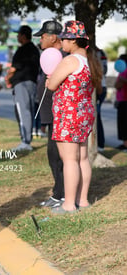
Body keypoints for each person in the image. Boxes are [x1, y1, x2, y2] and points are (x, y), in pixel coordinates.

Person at [46, 20, 102, 214]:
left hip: (68, 115)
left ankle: (68, 205)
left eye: (64, 38)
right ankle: (83, 200)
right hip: (84, 114)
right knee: (83, 158)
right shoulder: (89, 61)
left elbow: (52, 85)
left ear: (72, 40)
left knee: (69, 159)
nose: (62, 41)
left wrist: (50, 80)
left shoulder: (70, 61)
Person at [34, 20, 65, 208]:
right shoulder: (49, 55)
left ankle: (61, 194)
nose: (41, 40)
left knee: (57, 156)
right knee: (53, 155)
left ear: (53, 37)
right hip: (50, 113)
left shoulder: (60, 57)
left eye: (43, 36)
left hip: (59, 113)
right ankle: (59, 192)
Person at [5, 25, 40, 151]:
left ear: (24, 36)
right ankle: (27, 140)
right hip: (32, 83)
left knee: (22, 111)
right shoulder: (35, 50)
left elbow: (14, 68)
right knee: (28, 111)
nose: (18, 37)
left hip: (22, 83)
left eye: (19, 34)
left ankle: (25, 142)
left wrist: (7, 77)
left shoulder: (23, 49)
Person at [114, 54, 127, 152]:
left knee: (123, 123)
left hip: (124, 100)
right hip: (122, 99)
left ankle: (125, 144)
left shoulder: (124, 72)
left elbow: (117, 85)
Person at [96, 48, 108, 151]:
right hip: (97, 87)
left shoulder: (98, 52)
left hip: (99, 88)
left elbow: (103, 70)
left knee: (96, 116)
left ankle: (100, 143)